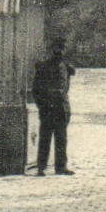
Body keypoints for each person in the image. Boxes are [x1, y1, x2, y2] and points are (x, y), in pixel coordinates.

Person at [31, 38, 75, 175]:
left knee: (61, 138)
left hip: (61, 107)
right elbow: (36, 89)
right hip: (48, 107)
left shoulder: (66, 67)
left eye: (62, 48)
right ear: (52, 50)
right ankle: (41, 167)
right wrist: (41, 105)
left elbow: (66, 87)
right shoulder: (43, 66)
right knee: (45, 138)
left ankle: (61, 166)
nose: (60, 51)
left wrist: (66, 107)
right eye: (58, 48)